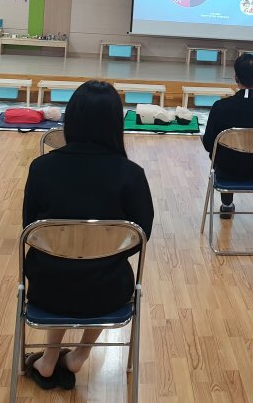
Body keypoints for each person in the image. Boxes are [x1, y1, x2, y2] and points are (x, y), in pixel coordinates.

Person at [22, 81, 154, 390]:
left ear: (71, 119)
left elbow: (30, 229)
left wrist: (73, 249)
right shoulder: (131, 174)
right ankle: (79, 355)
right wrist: (102, 250)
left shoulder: (41, 168)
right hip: (108, 291)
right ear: (115, 124)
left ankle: (48, 359)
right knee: (103, 269)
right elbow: (141, 234)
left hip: (47, 288)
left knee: (58, 261)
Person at [201, 53, 253, 219]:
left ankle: (226, 204)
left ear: (235, 77)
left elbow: (208, 144)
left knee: (220, 153)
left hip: (226, 171)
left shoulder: (220, 107)